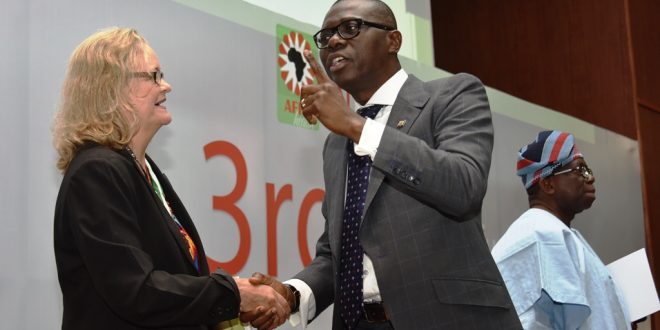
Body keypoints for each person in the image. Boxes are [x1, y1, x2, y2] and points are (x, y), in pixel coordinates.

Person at [243, 0, 522, 329]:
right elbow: (339, 253)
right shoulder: (336, 142)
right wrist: (293, 294)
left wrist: (357, 127)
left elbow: (463, 186)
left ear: (394, 41)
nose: (333, 41)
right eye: (326, 35)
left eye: (350, 28)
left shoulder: (450, 95)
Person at [52, 27, 289, 330]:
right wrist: (233, 293)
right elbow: (137, 291)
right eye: (153, 76)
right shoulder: (96, 172)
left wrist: (228, 302)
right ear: (112, 87)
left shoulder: (141, 168)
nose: (166, 86)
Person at [491, 130, 631, 329]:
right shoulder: (542, 236)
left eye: (588, 170)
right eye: (580, 170)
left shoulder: (558, 233)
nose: (590, 178)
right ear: (547, 184)